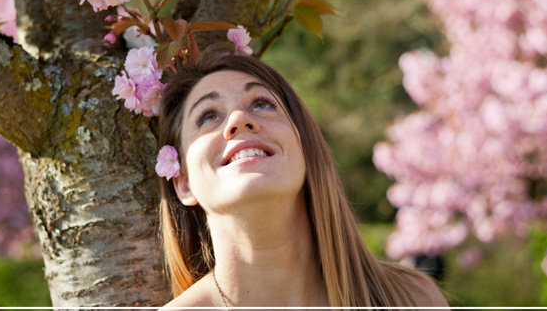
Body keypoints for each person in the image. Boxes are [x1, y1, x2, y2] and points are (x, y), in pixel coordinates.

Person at [156, 53, 450, 308]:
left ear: (305, 146)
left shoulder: (412, 300)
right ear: (183, 182)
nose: (238, 119)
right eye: (207, 116)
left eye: (261, 104)